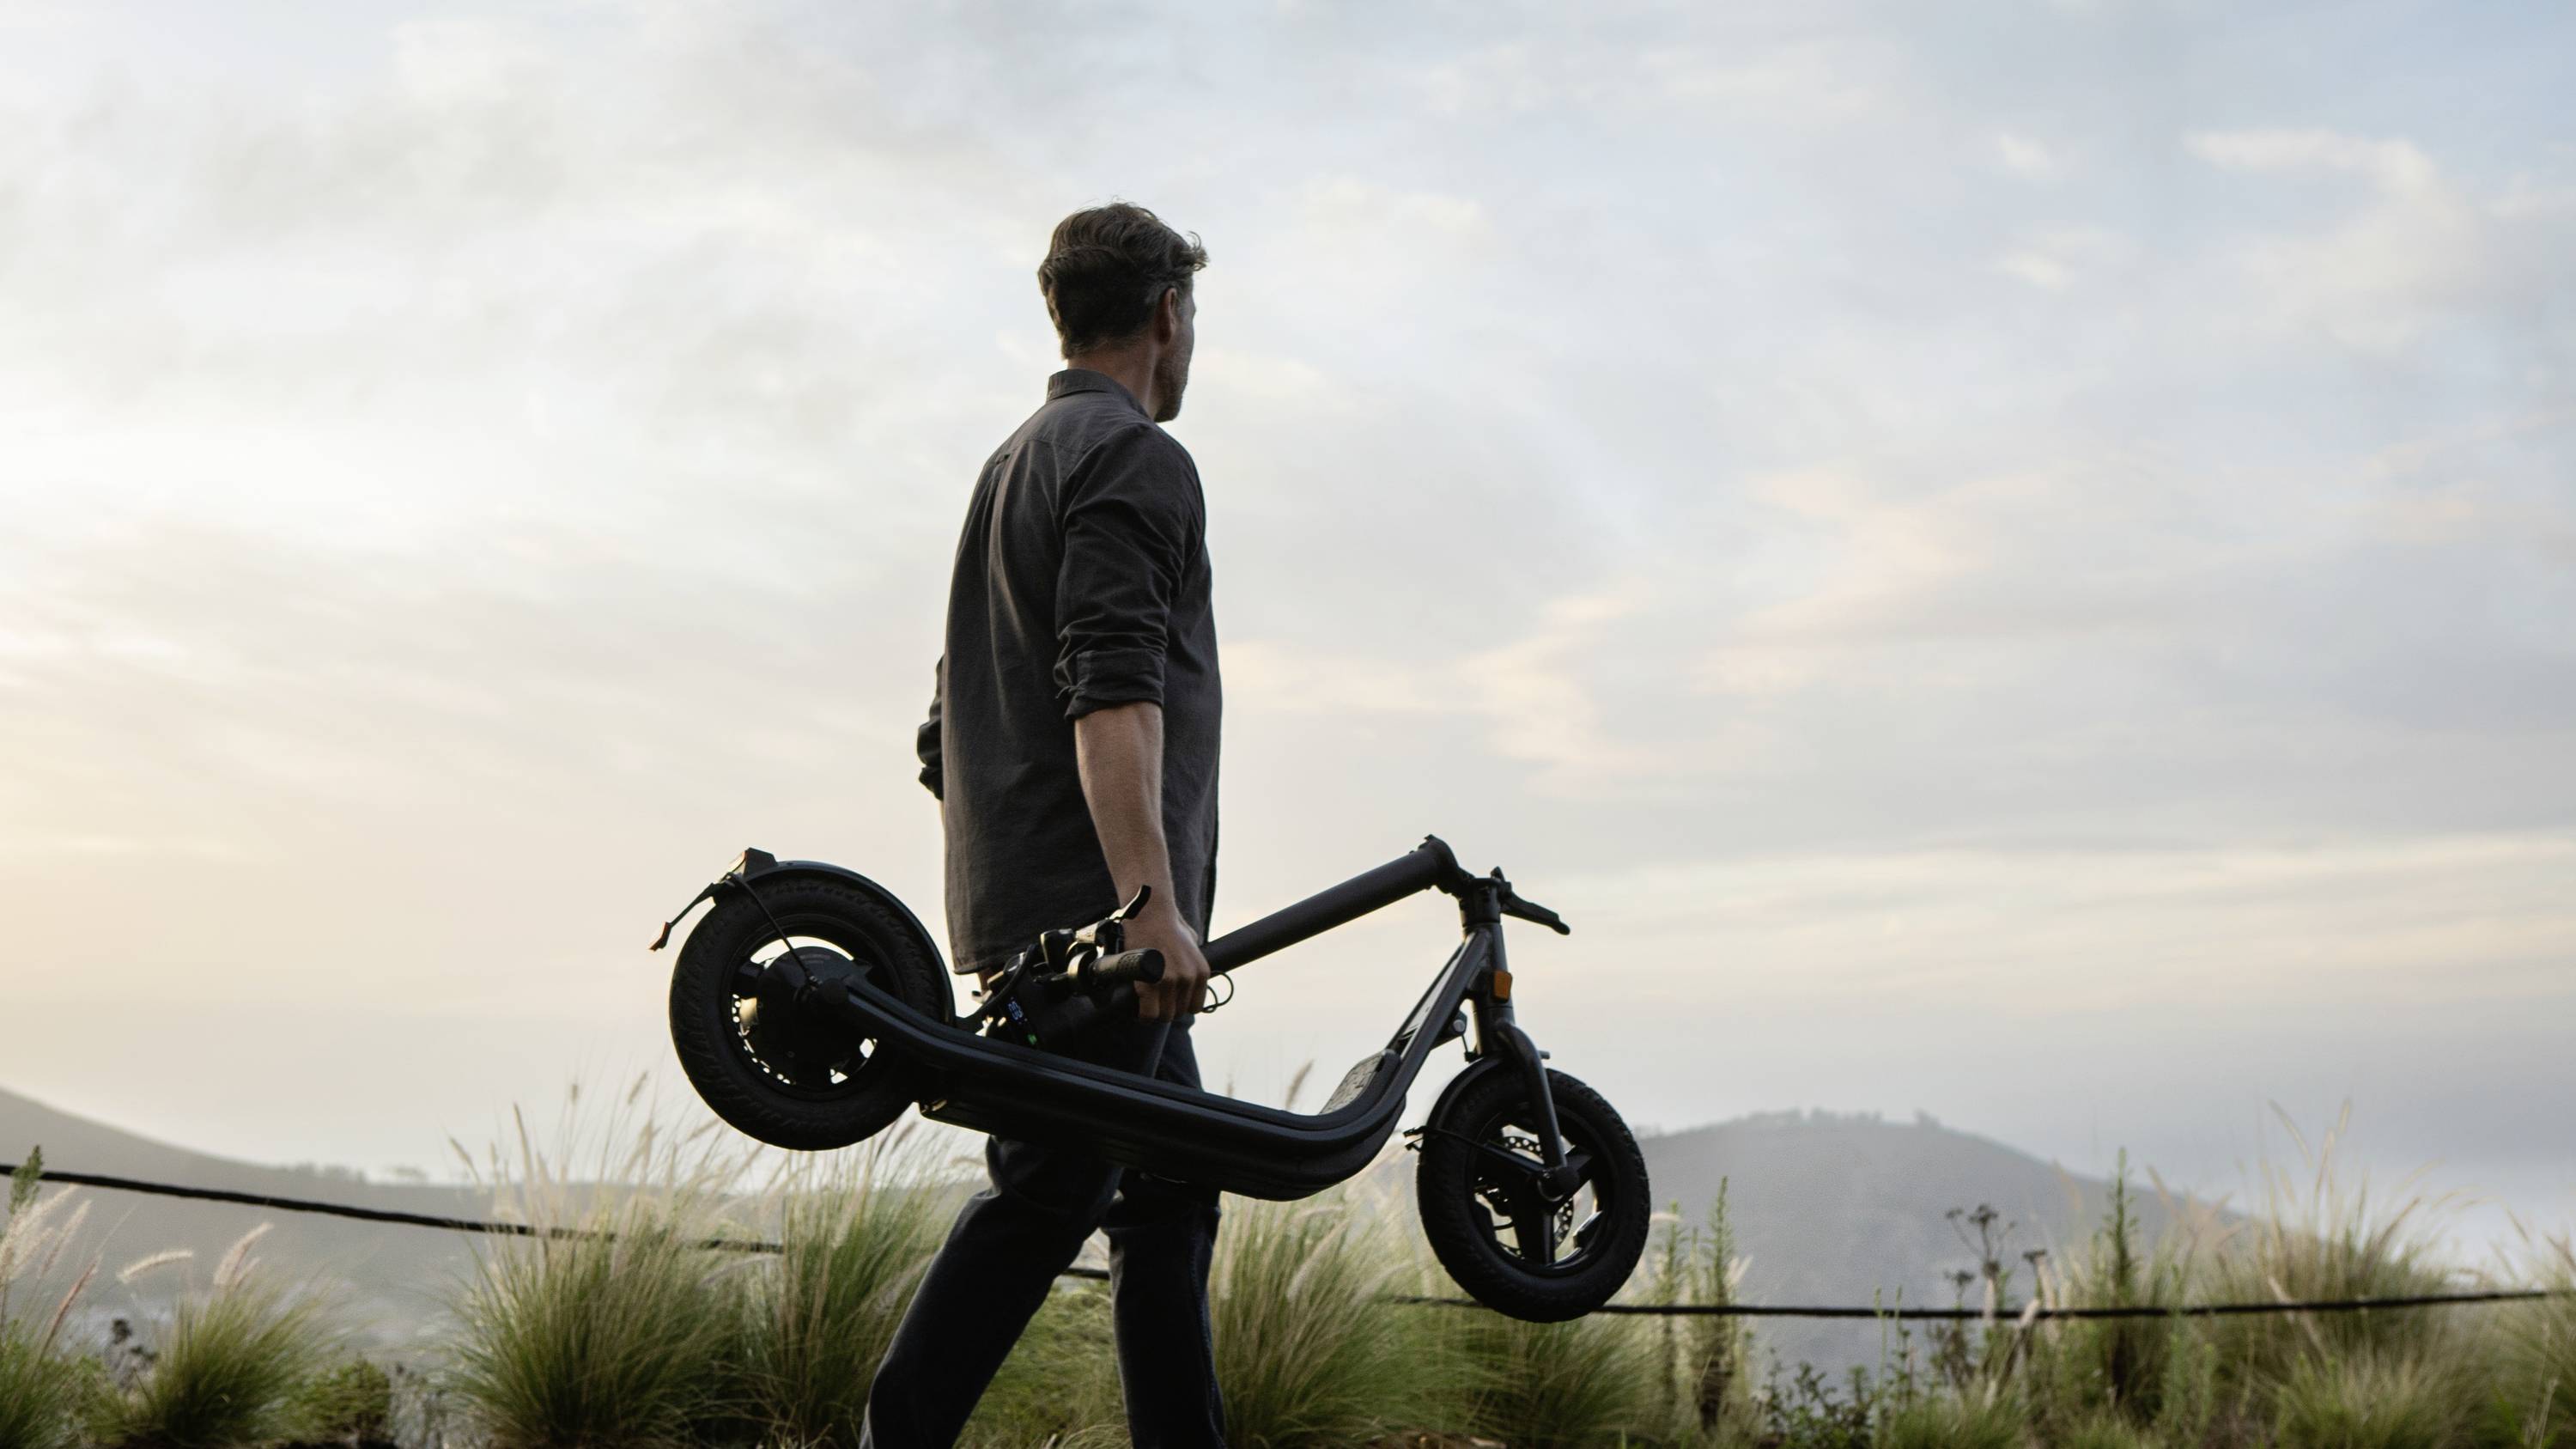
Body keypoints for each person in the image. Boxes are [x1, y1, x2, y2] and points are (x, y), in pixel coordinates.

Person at [860, 203, 1225, 1449]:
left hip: (1036, 915)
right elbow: (1113, 686)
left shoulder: (1012, 463)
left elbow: (940, 738)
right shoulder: (1134, 459)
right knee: (1049, 1192)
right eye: (1194, 320)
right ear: (1167, 314)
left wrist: (1019, 866)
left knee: (1171, 1188)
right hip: (1102, 932)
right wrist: (1145, 907)